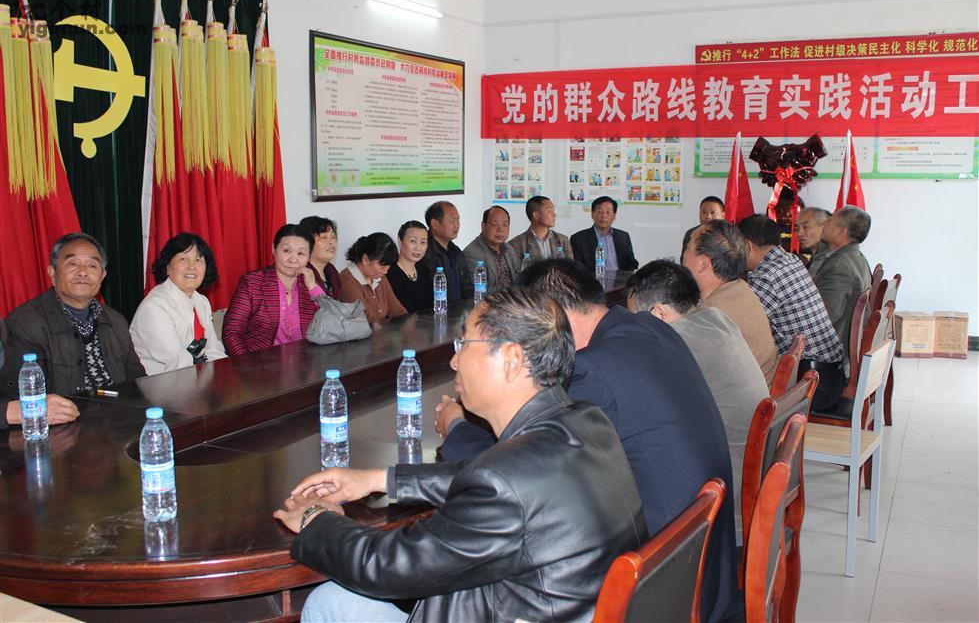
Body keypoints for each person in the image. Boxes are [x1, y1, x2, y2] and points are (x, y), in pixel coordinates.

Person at [274, 286, 646, 622]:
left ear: (512, 360)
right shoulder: (586, 420)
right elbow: (486, 477)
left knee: (329, 602)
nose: (454, 362)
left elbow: (388, 566)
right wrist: (378, 479)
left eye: (464, 344)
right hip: (549, 606)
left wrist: (314, 519)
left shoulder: (507, 481)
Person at [435, 259, 741, 623]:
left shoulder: (591, 369)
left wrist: (456, 427)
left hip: (657, 587)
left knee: (476, 579)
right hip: (699, 566)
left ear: (553, 317)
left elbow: (521, 472)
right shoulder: (650, 329)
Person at [625, 259, 769, 544]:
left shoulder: (675, 340)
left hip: (723, 500)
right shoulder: (717, 318)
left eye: (634, 319)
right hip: (751, 480)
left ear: (658, 313)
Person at [1, 233, 143, 428]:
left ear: (102, 276)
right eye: (72, 264)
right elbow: (19, 398)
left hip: (116, 424)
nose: (83, 272)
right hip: (61, 430)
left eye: (92, 265)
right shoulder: (26, 323)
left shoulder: (115, 320)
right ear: (52, 273)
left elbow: (137, 381)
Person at [739, 215, 847, 409]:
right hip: (829, 374)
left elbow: (740, 327)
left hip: (812, 385)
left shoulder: (765, 276)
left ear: (747, 246)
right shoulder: (790, 261)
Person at [683, 220, 778, 385]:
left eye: (687, 248)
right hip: (764, 390)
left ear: (703, 263)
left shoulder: (712, 316)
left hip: (747, 399)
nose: (683, 256)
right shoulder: (741, 289)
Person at [130, 232, 227, 375]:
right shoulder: (155, 307)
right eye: (183, 259)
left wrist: (229, 374)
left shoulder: (201, 301)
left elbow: (212, 350)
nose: (192, 266)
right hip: (160, 382)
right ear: (167, 267)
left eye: (198, 260)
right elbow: (178, 362)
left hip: (194, 376)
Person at [223, 224, 323, 356]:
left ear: (308, 257)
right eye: (286, 251)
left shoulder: (311, 283)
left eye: (301, 253)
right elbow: (231, 332)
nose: (293, 259)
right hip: (260, 364)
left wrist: (313, 287)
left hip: (305, 363)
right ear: (273, 249)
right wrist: (247, 364)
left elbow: (334, 323)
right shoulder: (253, 282)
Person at [812, 205, 873, 352]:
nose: (824, 223)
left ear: (842, 232)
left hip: (830, 351)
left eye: (830, 220)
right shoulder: (856, 257)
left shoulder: (840, 266)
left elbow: (822, 319)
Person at [339, 233, 408, 325]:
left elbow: (396, 309)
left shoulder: (380, 278)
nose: (385, 272)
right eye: (382, 267)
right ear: (366, 260)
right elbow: (366, 321)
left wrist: (407, 322)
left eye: (388, 267)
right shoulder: (347, 282)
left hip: (381, 332)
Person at [570, 196, 639, 273]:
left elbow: (632, 263)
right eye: (599, 212)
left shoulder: (623, 237)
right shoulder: (579, 239)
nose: (604, 216)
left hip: (621, 279)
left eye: (608, 212)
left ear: (614, 216)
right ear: (592, 214)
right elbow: (577, 268)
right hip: (592, 279)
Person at [421, 201, 471, 303]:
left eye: (458, 220)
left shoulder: (456, 252)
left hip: (459, 310)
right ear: (435, 224)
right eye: (452, 221)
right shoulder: (424, 253)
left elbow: (468, 288)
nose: (457, 225)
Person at [462, 206, 519, 293]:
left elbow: (519, 279)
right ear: (483, 226)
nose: (500, 229)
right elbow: (480, 292)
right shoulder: (472, 253)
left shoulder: (510, 250)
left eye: (505, 225)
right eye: (494, 224)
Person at [386, 221, 434, 313]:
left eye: (423, 242)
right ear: (400, 241)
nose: (418, 248)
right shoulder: (389, 272)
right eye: (413, 241)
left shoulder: (423, 267)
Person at [507, 196, 572, 262]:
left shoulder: (563, 240)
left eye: (553, 210)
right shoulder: (516, 244)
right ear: (536, 215)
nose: (554, 215)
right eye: (549, 211)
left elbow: (571, 267)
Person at [299, 216, 342, 299]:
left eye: (333, 237)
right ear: (307, 242)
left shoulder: (332, 271)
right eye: (324, 237)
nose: (331, 242)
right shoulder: (300, 275)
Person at [796, 207, 831, 272]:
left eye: (805, 227)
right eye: (797, 229)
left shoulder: (828, 257)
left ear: (824, 226)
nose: (799, 234)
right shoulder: (818, 256)